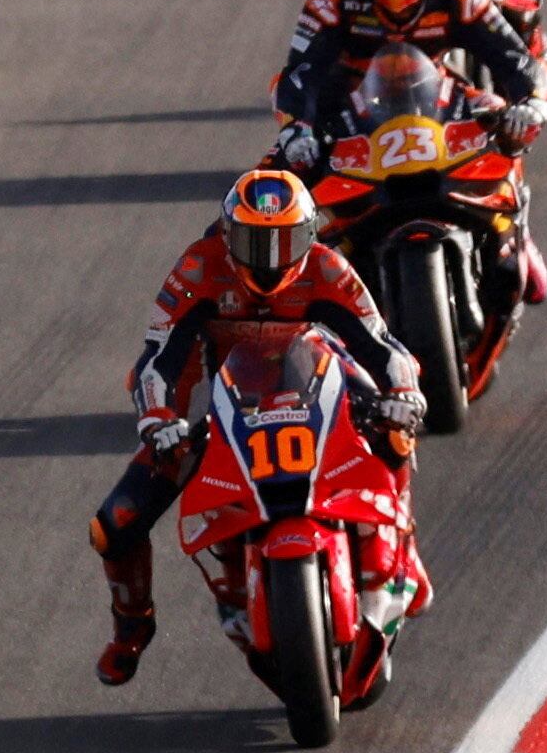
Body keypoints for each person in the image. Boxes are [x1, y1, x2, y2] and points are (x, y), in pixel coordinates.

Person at [91, 169, 430, 687]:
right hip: (216, 399)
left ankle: (401, 544)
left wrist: (403, 395)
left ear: (309, 234)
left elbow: (383, 347)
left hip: (316, 383)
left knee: (394, 428)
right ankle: (132, 627)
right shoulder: (198, 268)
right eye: (255, 240)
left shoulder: (328, 268)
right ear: (228, 235)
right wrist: (159, 420)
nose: (269, 259)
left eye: (284, 240)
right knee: (113, 524)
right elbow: (157, 358)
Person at [271, 0, 547, 334]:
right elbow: (299, 77)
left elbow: (514, 60)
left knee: (500, 118)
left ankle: (511, 229)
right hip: (346, 102)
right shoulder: (332, 1)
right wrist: (297, 131)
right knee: (267, 190)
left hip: (434, 93)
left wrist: (531, 101)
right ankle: (273, 289)